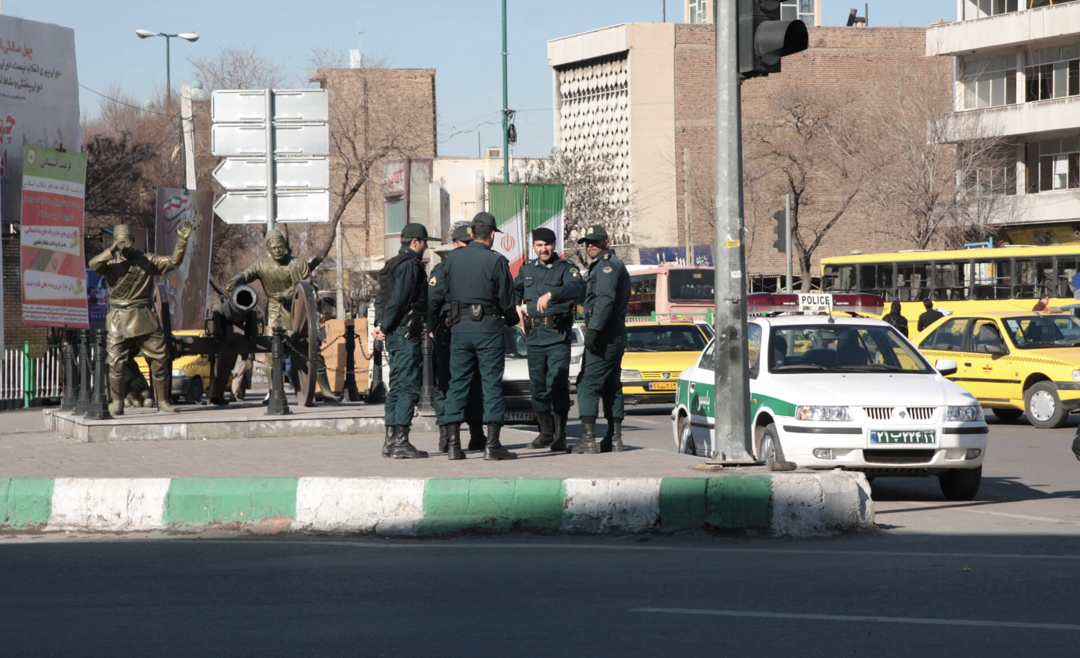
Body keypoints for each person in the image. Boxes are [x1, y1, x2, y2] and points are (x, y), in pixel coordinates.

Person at [88, 222, 192, 415]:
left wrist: (182, 241)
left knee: (160, 358)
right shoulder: (110, 262)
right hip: (118, 318)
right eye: (119, 241)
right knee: (115, 362)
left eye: (126, 241)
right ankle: (118, 402)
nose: (124, 246)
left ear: (134, 242)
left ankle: (162, 402)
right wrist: (112, 249)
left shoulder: (146, 260)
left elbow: (173, 262)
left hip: (143, 315)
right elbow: (93, 264)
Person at [440, 212, 517, 461]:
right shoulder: (496, 261)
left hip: (459, 329)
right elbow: (507, 301)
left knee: (457, 384)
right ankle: (492, 446)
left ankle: (454, 445)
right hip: (489, 330)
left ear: (471, 233)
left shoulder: (452, 259)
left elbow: (445, 292)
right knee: (491, 384)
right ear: (492, 234)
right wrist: (512, 319)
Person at [513, 227, 584, 452]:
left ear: (555, 246)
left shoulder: (566, 268)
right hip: (534, 337)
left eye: (548, 245)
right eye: (539, 245)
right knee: (538, 386)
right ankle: (544, 433)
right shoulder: (526, 270)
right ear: (534, 246)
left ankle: (560, 434)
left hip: (557, 335)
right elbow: (515, 290)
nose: (544, 249)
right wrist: (515, 304)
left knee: (557, 383)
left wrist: (552, 294)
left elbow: (576, 287)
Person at [373, 223, 432, 459]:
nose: (426, 247)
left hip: (395, 334)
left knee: (397, 385)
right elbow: (398, 300)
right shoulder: (409, 266)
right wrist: (384, 327)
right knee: (407, 386)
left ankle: (390, 441)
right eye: (425, 242)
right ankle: (401, 441)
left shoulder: (392, 265)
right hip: (406, 333)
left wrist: (380, 324)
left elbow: (381, 299)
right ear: (415, 242)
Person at [427, 224, 486, 452]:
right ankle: (447, 434)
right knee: (447, 382)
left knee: (474, 383)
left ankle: (476, 433)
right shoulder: (444, 269)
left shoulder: (475, 265)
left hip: (471, 331)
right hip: (449, 333)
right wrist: (432, 326)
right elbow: (433, 299)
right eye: (465, 245)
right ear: (455, 245)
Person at [574, 224, 631, 454]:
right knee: (611, 384)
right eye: (588, 242)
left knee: (587, 383)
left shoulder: (606, 265)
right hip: (614, 331)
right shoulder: (611, 264)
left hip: (605, 333)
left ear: (607, 242)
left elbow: (605, 300)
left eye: (595, 242)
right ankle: (614, 438)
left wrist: (594, 331)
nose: (590, 246)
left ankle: (588, 440)